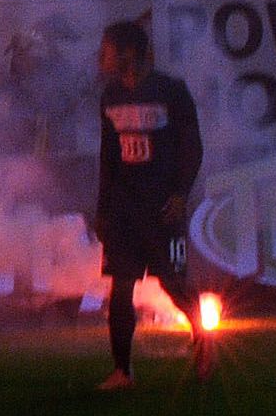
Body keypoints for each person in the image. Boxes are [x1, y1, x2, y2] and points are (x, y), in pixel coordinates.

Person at [93, 20, 207, 391]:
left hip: (161, 207)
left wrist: (180, 194)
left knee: (173, 284)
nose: (102, 57)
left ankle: (205, 342)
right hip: (125, 209)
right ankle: (122, 372)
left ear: (128, 53)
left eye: (107, 49)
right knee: (120, 288)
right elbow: (108, 155)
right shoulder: (110, 96)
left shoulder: (172, 92)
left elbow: (192, 148)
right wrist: (103, 207)